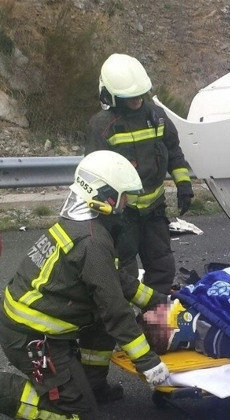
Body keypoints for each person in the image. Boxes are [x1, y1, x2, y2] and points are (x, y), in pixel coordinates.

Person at [0, 151, 170, 420]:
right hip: (32, 339)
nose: (126, 204)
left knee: (100, 323)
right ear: (106, 196)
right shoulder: (92, 240)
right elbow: (115, 310)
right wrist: (148, 362)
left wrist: (155, 299)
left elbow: (109, 279)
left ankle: (92, 386)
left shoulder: (79, 224)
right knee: (78, 415)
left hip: (33, 324)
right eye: (123, 197)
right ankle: (7, 392)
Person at [85, 53, 193, 295]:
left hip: (154, 210)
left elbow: (174, 152)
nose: (136, 101)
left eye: (139, 95)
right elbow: (95, 170)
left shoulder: (157, 117)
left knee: (162, 267)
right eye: (129, 97)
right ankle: (124, 325)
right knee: (122, 272)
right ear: (112, 96)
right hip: (123, 215)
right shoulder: (102, 126)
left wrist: (184, 185)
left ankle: (157, 322)